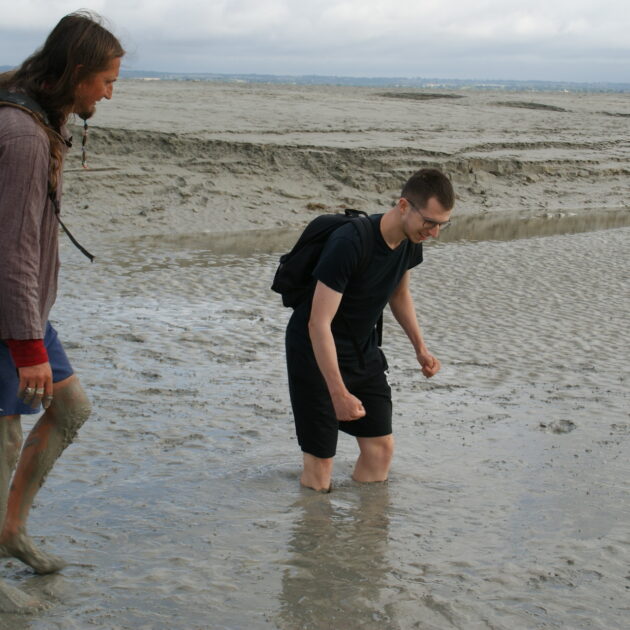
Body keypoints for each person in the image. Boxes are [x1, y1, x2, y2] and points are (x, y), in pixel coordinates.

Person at [0, 11, 123, 610]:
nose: (109, 92)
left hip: (22, 311)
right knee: (3, 435)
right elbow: (14, 247)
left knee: (71, 408)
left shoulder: (35, 114)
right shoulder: (22, 134)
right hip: (6, 316)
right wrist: (27, 348)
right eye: (105, 80)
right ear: (76, 71)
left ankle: (10, 530)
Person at [285, 168, 455, 492]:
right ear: (404, 206)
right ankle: (316, 535)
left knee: (380, 449)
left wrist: (420, 348)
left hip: (363, 349)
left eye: (441, 225)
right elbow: (317, 323)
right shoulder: (349, 243)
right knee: (321, 464)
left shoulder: (409, 240)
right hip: (315, 351)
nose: (433, 232)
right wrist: (337, 393)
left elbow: (398, 293)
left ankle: (365, 537)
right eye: (430, 222)